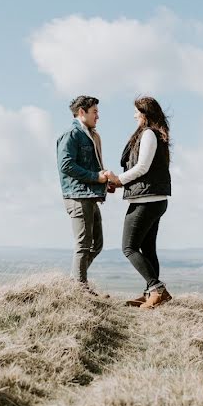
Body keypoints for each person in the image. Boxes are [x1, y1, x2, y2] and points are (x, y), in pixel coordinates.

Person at [107, 96, 172, 309]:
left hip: (147, 200)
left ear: (144, 114)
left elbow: (142, 167)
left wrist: (118, 180)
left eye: (137, 111)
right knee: (148, 249)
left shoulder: (148, 135)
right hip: (155, 200)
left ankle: (157, 290)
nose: (134, 115)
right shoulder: (155, 135)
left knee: (129, 247)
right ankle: (150, 293)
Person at [56, 95, 117, 290]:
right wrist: (95, 177)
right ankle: (79, 288)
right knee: (83, 244)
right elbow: (66, 165)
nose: (98, 116)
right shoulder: (72, 134)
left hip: (89, 195)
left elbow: (91, 165)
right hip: (78, 196)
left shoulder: (89, 134)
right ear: (82, 112)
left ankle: (73, 281)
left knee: (96, 244)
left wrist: (104, 181)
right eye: (95, 112)